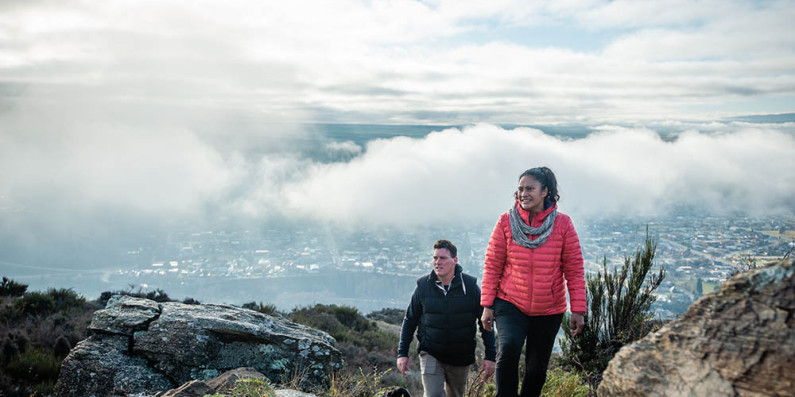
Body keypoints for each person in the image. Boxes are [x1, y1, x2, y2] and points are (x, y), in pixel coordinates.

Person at [480, 167, 586, 397]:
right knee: (507, 351)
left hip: (548, 308)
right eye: (520, 189)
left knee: (537, 368)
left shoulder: (563, 224)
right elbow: (492, 265)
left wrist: (578, 309)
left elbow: (575, 270)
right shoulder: (506, 222)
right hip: (510, 302)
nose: (523, 194)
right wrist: (487, 305)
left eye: (530, 189)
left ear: (545, 191)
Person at [397, 239, 497, 397]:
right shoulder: (423, 286)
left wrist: (491, 356)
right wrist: (402, 353)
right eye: (435, 258)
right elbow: (410, 320)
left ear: (455, 261)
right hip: (430, 351)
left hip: (460, 355)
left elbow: (486, 321)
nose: (437, 262)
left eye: (442, 258)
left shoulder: (470, 286)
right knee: (433, 395)